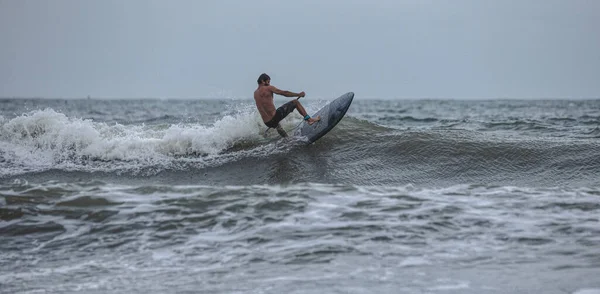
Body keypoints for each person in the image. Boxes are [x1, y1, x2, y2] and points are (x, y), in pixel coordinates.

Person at [253, 73, 320, 137]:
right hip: (275, 118)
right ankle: (309, 120)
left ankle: (286, 138)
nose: (269, 84)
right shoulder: (268, 88)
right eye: (268, 82)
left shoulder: (255, 93)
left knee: (277, 124)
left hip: (267, 123)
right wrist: (298, 94)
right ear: (262, 81)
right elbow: (284, 93)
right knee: (295, 102)